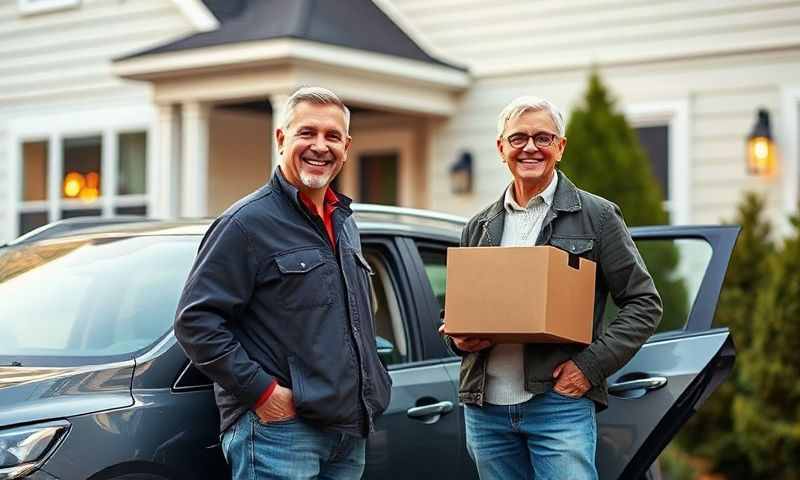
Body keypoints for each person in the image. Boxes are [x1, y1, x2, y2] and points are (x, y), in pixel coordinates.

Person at [174, 86, 391, 480]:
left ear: (346, 147)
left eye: (332, 136)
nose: (320, 146)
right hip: (281, 434)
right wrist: (262, 392)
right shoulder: (246, 223)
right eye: (307, 133)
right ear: (281, 138)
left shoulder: (344, 222)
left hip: (347, 432)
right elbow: (196, 322)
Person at [440, 96, 662, 479]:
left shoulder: (597, 216)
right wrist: (456, 340)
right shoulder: (479, 226)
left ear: (560, 147)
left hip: (558, 404)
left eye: (543, 138)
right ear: (501, 149)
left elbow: (644, 304)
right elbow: (459, 312)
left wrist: (588, 368)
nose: (530, 147)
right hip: (484, 407)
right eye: (518, 138)